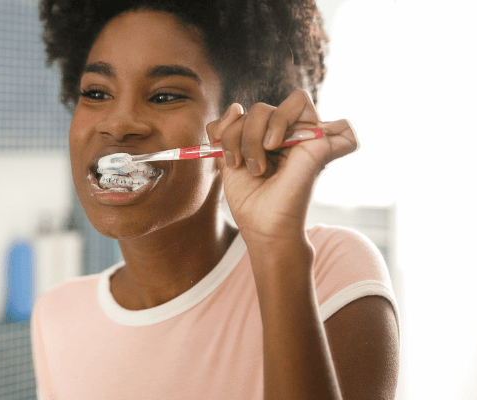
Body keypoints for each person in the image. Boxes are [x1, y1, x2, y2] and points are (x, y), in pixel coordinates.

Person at [33, 1, 399, 399]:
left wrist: (276, 246)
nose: (118, 123)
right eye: (96, 92)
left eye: (164, 96)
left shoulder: (331, 271)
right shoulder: (57, 315)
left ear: (236, 126)